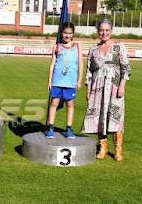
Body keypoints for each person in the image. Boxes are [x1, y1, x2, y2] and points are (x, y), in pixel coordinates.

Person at [81, 18, 131, 161]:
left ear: (111, 31)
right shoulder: (93, 50)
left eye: (107, 30)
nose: (104, 33)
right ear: (98, 31)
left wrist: (122, 86)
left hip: (114, 88)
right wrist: (88, 90)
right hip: (97, 89)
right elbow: (89, 72)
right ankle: (103, 148)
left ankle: (118, 149)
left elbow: (125, 68)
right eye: (101, 30)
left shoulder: (119, 47)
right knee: (99, 118)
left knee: (115, 117)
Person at [46, 22, 83, 139]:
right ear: (61, 33)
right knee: (54, 103)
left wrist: (79, 80)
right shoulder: (56, 47)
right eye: (65, 33)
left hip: (70, 81)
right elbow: (52, 64)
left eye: (70, 33)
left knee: (70, 104)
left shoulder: (77, 47)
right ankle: (51, 128)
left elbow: (81, 64)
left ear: (73, 34)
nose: (67, 35)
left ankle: (69, 129)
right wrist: (50, 81)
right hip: (57, 80)